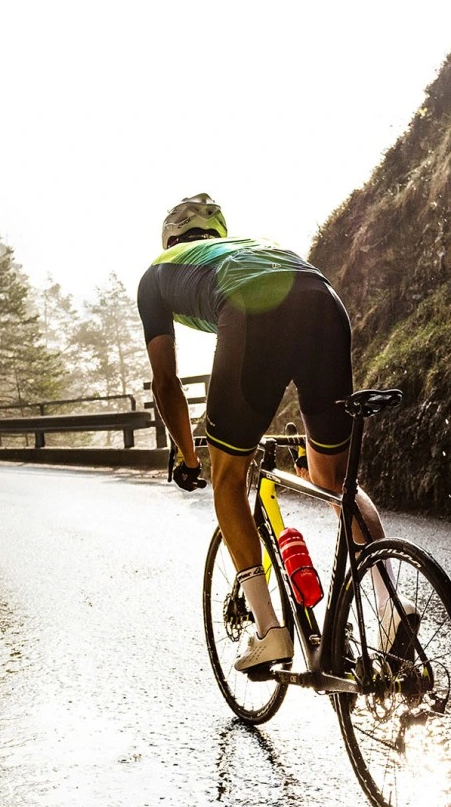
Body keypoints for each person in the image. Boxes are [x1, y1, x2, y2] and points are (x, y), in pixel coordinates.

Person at [138, 194, 389, 671]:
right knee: (337, 481)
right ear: (217, 234)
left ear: (170, 240)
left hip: (252, 308)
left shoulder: (157, 273)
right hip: (324, 300)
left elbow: (166, 382)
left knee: (228, 480)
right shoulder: (249, 246)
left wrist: (188, 458)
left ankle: (269, 630)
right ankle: (391, 606)